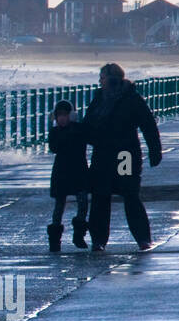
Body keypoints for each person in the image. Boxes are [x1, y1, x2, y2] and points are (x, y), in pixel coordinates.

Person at [82, 63, 162, 251]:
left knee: (129, 193)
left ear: (111, 79)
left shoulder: (131, 98)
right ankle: (98, 241)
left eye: (102, 77)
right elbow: (87, 125)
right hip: (102, 154)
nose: (100, 81)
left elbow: (148, 125)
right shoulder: (99, 99)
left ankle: (143, 238)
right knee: (100, 196)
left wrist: (155, 151)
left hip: (125, 155)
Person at [46, 100, 89, 252]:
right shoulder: (54, 132)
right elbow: (54, 147)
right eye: (59, 116)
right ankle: (55, 240)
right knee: (59, 206)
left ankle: (79, 234)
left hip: (79, 170)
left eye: (65, 115)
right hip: (61, 172)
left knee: (83, 203)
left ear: (71, 116)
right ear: (55, 117)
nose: (62, 118)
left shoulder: (80, 129)